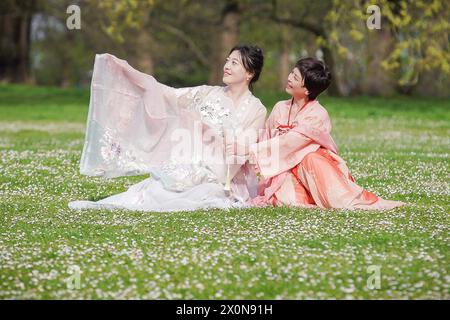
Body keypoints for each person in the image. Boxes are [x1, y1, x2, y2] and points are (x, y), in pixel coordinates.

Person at [68, 44, 267, 212]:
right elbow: (169, 94)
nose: (227, 66)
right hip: (191, 163)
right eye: (227, 60)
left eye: (234, 63)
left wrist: (213, 138)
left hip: (225, 173)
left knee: (200, 192)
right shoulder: (207, 93)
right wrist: (131, 75)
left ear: (250, 73)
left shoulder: (256, 109)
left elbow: (244, 148)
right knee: (160, 189)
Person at [231, 57, 404, 210]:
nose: (289, 78)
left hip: (311, 165)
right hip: (283, 167)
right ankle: (310, 196)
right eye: (291, 73)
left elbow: (292, 142)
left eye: (295, 77)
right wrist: (248, 148)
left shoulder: (318, 114)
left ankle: (339, 198)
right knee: (287, 200)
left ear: (307, 90)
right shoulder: (279, 107)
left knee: (310, 158)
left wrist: (254, 150)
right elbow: (266, 136)